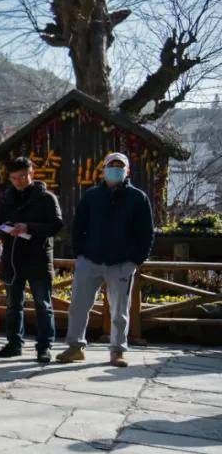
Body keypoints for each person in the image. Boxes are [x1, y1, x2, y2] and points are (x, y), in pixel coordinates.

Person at [57, 152, 154, 368]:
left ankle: (117, 350)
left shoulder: (138, 198)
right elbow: (78, 227)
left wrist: (135, 261)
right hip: (90, 260)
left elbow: (146, 233)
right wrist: (80, 254)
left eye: (120, 166)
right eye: (112, 165)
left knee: (120, 310)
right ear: (104, 169)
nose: (116, 169)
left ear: (127, 171)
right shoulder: (91, 196)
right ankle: (75, 347)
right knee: (78, 306)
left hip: (121, 263)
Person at [0, 157, 63, 363]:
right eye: (14, 178)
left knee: (43, 304)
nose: (19, 181)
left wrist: (29, 227)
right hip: (13, 259)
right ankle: (14, 344)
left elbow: (57, 225)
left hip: (38, 259)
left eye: (23, 176)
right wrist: (6, 230)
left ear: (32, 173)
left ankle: (44, 347)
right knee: (14, 304)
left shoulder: (46, 198)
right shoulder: (6, 198)